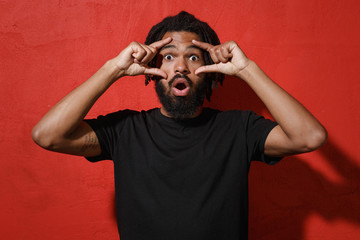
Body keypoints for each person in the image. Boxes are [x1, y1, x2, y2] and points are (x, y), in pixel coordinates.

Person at [32, 11, 327, 240]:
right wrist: (114, 69)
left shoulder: (239, 128)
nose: (181, 67)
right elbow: (47, 135)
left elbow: (309, 137)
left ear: (209, 70)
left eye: (193, 57)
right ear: (153, 68)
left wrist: (247, 69)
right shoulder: (125, 130)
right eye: (169, 57)